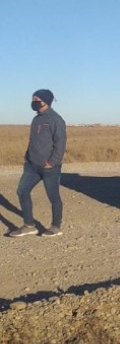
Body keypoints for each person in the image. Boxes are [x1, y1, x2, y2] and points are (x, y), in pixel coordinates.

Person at [9, 89, 67, 238]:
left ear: (45, 101)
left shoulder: (56, 120)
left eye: (36, 99)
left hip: (49, 167)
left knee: (53, 196)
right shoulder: (36, 119)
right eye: (32, 98)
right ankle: (29, 226)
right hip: (31, 166)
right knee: (22, 191)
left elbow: (60, 144)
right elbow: (34, 141)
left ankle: (55, 227)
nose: (33, 101)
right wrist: (27, 157)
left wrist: (52, 162)